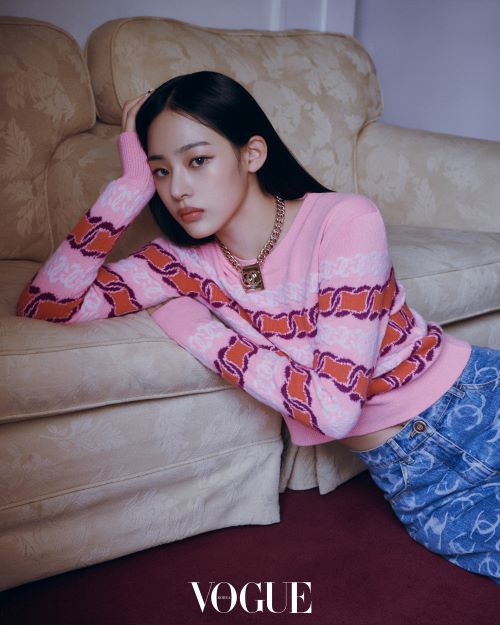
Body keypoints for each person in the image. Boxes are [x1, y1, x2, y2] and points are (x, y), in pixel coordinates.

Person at [17, 71, 499, 583]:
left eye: (197, 161)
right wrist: (127, 188)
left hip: (475, 398)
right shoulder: (177, 262)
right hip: (415, 475)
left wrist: (201, 334)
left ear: (252, 154)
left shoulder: (344, 220)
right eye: (160, 171)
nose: (177, 189)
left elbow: (334, 410)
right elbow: (46, 304)